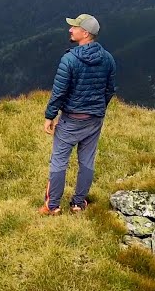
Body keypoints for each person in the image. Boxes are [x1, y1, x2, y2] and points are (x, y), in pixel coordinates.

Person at [39, 13, 116, 215]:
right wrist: (99, 108)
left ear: (85, 33)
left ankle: (52, 206)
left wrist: (50, 116)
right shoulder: (107, 58)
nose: (70, 29)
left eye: (74, 27)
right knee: (87, 162)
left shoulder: (70, 59)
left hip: (71, 119)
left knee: (58, 162)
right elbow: (109, 89)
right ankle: (77, 203)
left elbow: (59, 92)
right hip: (94, 120)